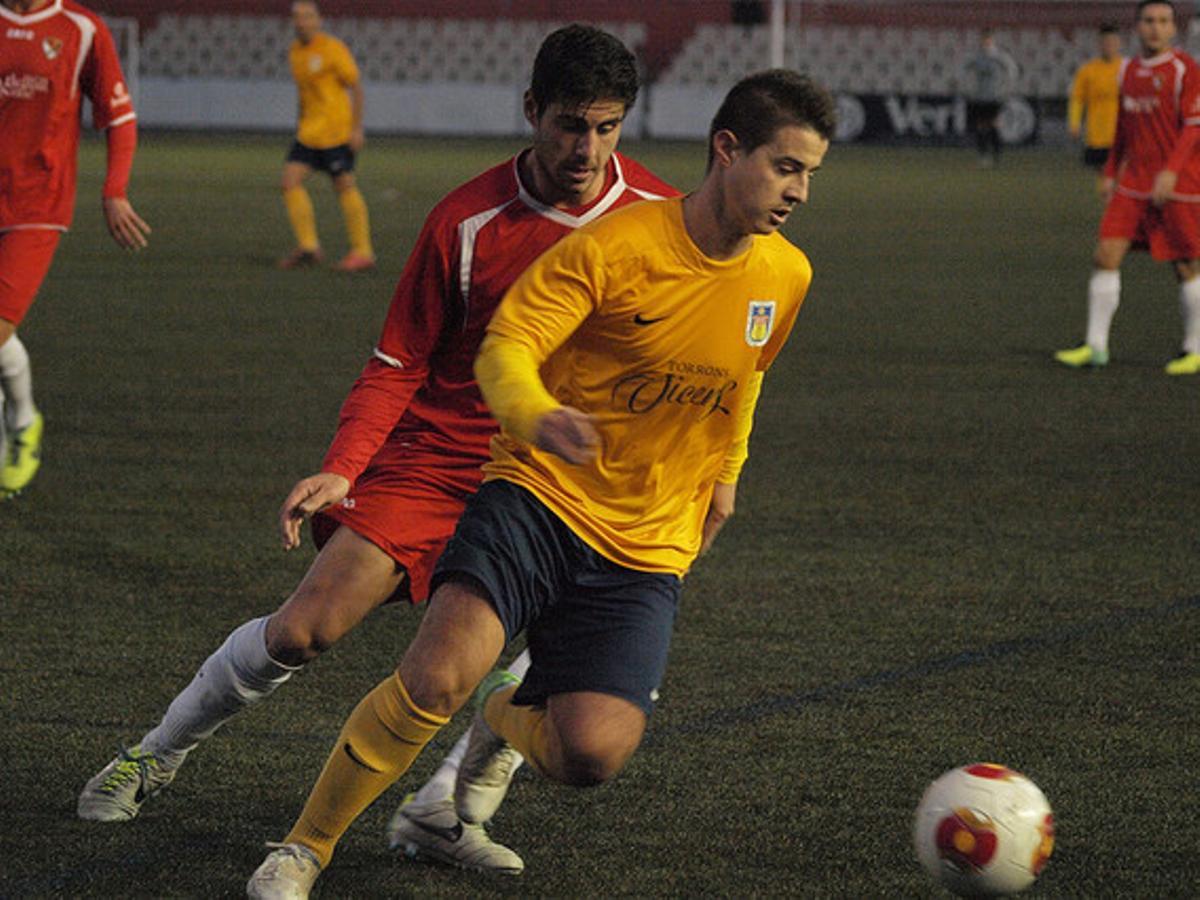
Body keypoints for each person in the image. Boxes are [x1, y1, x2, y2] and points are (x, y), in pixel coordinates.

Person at [78, 23, 675, 876]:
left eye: (608, 127)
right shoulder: (466, 221)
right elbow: (399, 361)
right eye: (571, 124)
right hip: (440, 456)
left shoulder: (655, 219)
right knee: (304, 628)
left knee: (559, 646)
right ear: (533, 110)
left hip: (555, 475)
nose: (587, 148)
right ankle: (155, 753)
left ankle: (448, 809)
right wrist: (344, 465)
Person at [244, 68, 835, 899]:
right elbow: (505, 349)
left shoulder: (788, 275)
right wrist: (535, 415)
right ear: (726, 149)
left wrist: (728, 475)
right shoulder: (616, 248)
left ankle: (501, 710)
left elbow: (748, 378)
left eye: (810, 173)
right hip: (538, 500)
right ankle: (305, 848)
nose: (800, 191)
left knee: (590, 754)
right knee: (432, 680)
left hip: (647, 541)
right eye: (786, 167)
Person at [0, 0, 149, 499]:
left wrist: (114, 190)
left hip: (37, 205)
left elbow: (119, 117)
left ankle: (16, 434)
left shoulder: (83, 30)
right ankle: (23, 417)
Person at [1055, 0, 1200, 376]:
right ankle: (1095, 346)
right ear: (1137, 27)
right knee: (1105, 255)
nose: (1156, 27)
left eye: (1164, 21)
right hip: (1133, 183)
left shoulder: (1185, 69)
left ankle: (1194, 347)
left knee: (1185, 266)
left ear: (1173, 28)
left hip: (1177, 184)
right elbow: (1123, 128)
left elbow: (1194, 127)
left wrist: (1170, 171)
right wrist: (1109, 171)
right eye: (1149, 21)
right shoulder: (1128, 71)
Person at [277, 0, 374, 272]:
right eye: (297, 17)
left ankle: (363, 252)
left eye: (307, 16)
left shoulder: (332, 49)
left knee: (344, 186)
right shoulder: (295, 52)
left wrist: (357, 128)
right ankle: (309, 246)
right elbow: (304, 95)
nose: (301, 21)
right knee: (289, 182)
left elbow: (356, 88)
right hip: (308, 133)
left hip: (335, 133)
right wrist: (299, 123)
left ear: (318, 20)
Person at [1068, 23, 1124, 180]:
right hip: (1097, 135)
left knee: (1121, 177)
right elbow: (1077, 99)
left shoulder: (1127, 69)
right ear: (1099, 45)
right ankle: (1109, 203)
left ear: (1119, 44)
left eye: (1112, 43)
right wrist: (1074, 123)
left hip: (1122, 135)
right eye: (1105, 43)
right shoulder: (1088, 71)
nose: (1109, 47)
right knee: (1104, 178)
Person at [961, 28, 1020, 168]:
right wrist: (968, 88)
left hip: (995, 97)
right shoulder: (976, 56)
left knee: (994, 125)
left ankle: (996, 156)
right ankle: (983, 157)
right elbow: (963, 69)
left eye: (988, 39)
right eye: (983, 39)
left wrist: (1006, 88)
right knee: (981, 127)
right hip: (979, 97)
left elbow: (1012, 70)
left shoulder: (999, 56)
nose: (985, 41)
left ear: (992, 40)